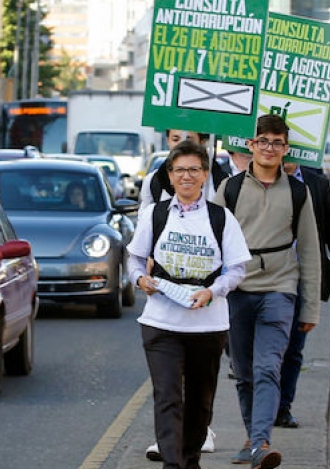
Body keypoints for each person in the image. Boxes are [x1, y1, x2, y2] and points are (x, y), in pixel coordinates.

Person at [127, 141, 251, 469]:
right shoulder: (154, 215)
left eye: (194, 169)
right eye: (179, 170)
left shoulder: (221, 218)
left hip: (208, 326)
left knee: (199, 402)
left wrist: (213, 291)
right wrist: (140, 280)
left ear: (205, 175)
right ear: (169, 175)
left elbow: (237, 268)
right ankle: (173, 464)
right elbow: (135, 259)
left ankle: (189, 459)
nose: (186, 176)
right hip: (160, 323)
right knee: (167, 397)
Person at [212, 114, 321, 469]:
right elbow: (209, 244)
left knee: (267, 368)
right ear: (251, 145)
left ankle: (260, 442)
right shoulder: (229, 188)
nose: (270, 148)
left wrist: (311, 309)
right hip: (236, 289)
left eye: (277, 143)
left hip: (280, 288)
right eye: (263, 141)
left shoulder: (297, 191)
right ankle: (252, 437)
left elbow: (308, 251)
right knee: (243, 372)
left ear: (286, 148)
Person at [275, 161, 330, 429]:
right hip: (266, 279)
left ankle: (282, 407)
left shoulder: (317, 184)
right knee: (265, 349)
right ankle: (261, 404)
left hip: (304, 278)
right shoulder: (254, 181)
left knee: (293, 349)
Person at [140, 130, 229, 209]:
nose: (181, 144)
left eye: (188, 139)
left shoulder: (223, 182)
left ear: (202, 142)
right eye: (175, 139)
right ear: (167, 141)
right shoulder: (153, 181)